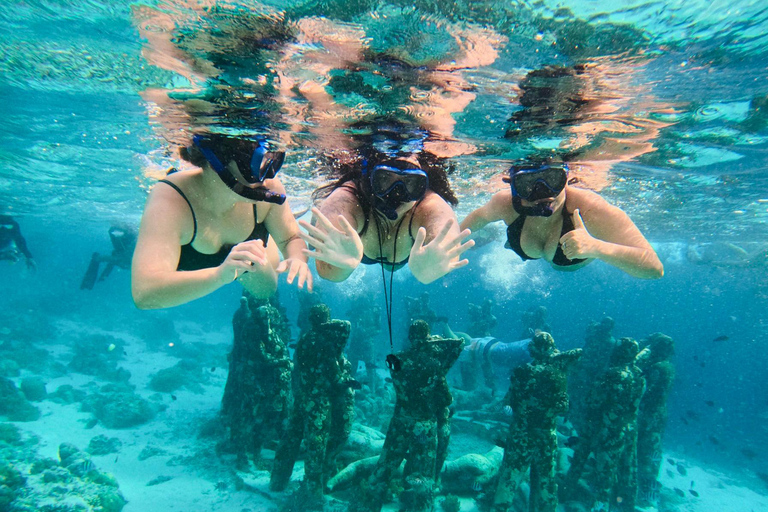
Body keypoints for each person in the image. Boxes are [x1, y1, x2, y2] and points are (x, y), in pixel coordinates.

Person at [131, 132, 312, 309]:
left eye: (269, 160)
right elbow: (144, 293)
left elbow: (290, 240)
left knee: (266, 290)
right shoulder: (170, 201)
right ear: (215, 162)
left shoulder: (268, 188)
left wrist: (297, 257)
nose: (266, 177)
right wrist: (219, 275)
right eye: (252, 164)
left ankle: (252, 252)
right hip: (190, 207)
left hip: (252, 234)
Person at [298, 127, 474, 285]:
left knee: (392, 268)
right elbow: (327, 271)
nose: (397, 193)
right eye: (385, 179)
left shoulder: (429, 205)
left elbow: (444, 230)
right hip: (370, 243)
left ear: (423, 185)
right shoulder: (347, 199)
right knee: (324, 221)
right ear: (369, 180)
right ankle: (318, 211)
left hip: (394, 256)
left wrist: (429, 271)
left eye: (411, 183)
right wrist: (340, 266)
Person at [460, 159, 664, 279]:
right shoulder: (504, 204)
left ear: (566, 178)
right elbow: (470, 224)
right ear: (513, 187)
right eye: (527, 184)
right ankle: (498, 237)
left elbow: (654, 268)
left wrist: (596, 247)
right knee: (491, 231)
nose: (543, 193)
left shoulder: (589, 208)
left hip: (566, 267)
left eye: (553, 180)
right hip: (523, 241)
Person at [81, 224, 137, 290]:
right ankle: (96, 261)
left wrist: (104, 274)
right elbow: (117, 259)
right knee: (122, 259)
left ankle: (96, 261)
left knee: (121, 259)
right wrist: (105, 274)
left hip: (125, 237)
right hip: (126, 238)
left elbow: (115, 259)